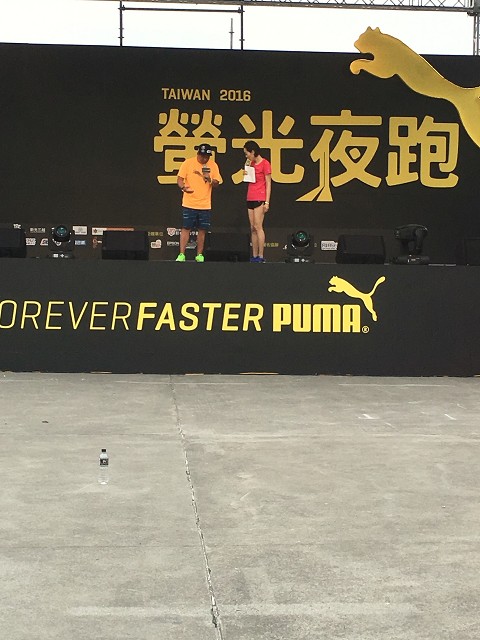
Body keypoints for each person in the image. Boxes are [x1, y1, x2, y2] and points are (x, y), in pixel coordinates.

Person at [176, 143, 222, 262]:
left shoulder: (213, 165)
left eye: (207, 156)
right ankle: (181, 254)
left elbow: (217, 183)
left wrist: (209, 179)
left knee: (202, 230)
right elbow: (180, 179)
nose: (205, 159)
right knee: (186, 228)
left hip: (204, 204)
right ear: (198, 154)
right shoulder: (188, 163)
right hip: (189, 202)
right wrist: (183, 187)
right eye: (202, 156)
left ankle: (199, 255)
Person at [243, 141, 272, 263]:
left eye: (247, 153)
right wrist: (246, 170)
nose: (246, 156)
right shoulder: (251, 163)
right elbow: (248, 179)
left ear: (253, 152)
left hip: (260, 197)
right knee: (252, 228)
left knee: (258, 226)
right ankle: (254, 255)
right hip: (250, 196)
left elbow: (268, 183)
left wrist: (267, 202)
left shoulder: (265, 163)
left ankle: (260, 255)